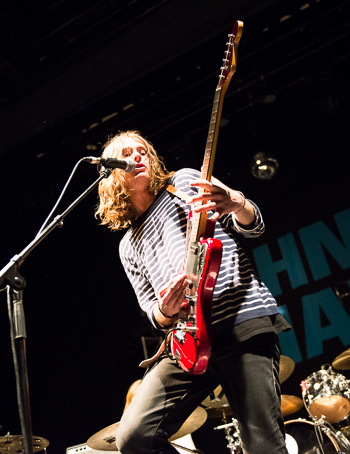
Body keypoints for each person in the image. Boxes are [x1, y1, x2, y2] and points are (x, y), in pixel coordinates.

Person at [95, 131, 290, 454]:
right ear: (112, 172)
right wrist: (165, 310)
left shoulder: (183, 182)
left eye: (143, 151)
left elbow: (253, 226)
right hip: (188, 342)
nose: (137, 156)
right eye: (126, 154)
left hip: (240, 321)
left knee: (263, 447)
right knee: (134, 437)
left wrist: (238, 203)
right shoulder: (127, 245)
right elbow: (152, 311)